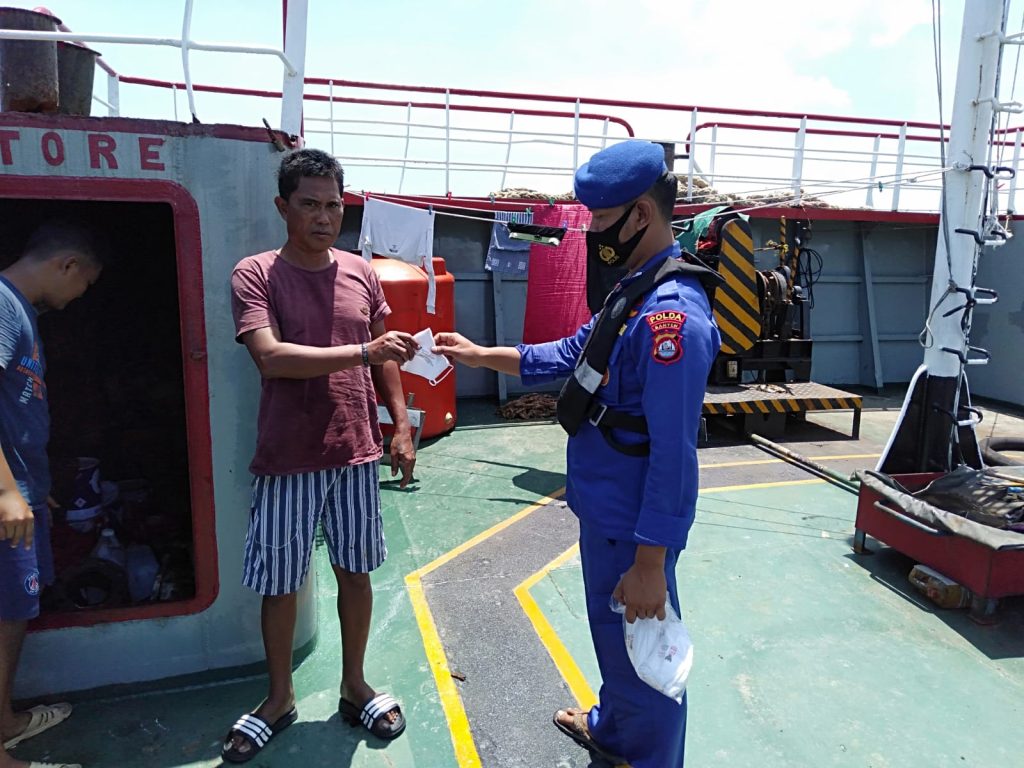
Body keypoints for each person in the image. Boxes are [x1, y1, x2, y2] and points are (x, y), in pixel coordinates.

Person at [434, 140, 721, 768]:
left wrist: (651, 561)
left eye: (602, 218)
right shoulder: (633, 291)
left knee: (647, 657)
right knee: (616, 645)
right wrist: (479, 354)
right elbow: (569, 355)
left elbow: (674, 455)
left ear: (641, 214)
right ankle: (612, 731)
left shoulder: (671, 318)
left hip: (633, 526)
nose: (593, 232)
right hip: (603, 507)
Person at [224, 148, 419, 763]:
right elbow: (271, 357)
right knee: (281, 584)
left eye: (334, 205)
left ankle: (354, 685)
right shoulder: (256, 274)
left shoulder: (361, 272)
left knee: (355, 573)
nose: (324, 217)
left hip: (356, 452)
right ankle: (279, 698)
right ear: (283, 207)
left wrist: (401, 426)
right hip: (288, 457)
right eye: (309, 204)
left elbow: (386, 356)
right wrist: (364, 353)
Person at [1, 221, 105, 768]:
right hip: (6, 500)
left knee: (13, 610)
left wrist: (31, 488)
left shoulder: (22, 312)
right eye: (84, 284)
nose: (78, 297)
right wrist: (6, 492)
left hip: (22, 492)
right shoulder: (2, 304)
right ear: (67, 265)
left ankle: (5, 722)